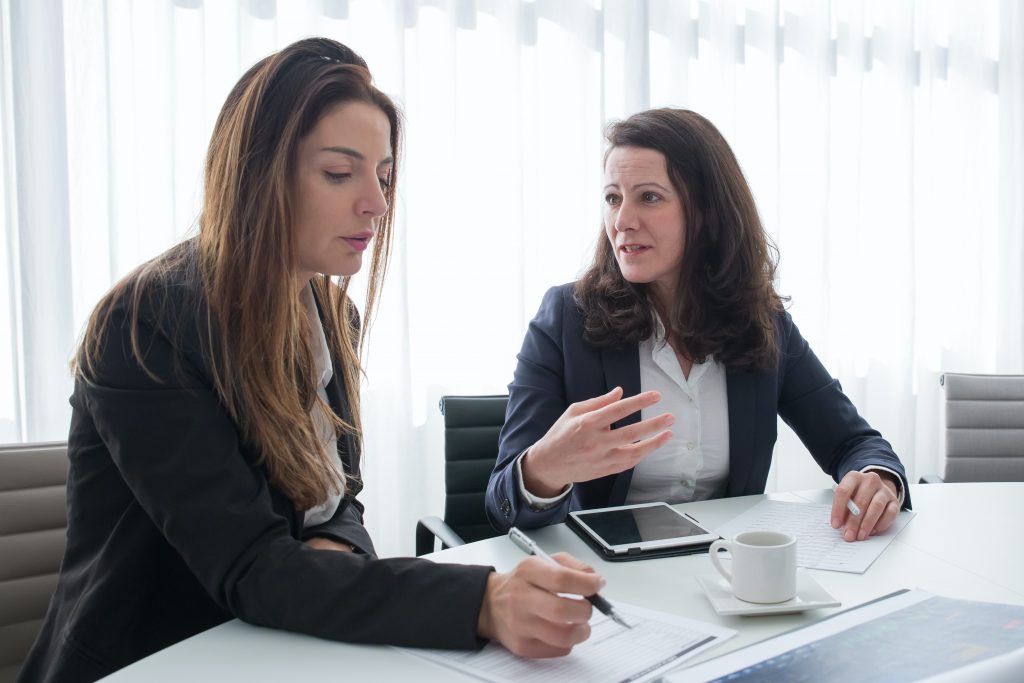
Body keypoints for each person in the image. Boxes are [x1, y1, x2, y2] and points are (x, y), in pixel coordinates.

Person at [19, 38, 602, 683]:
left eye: (382, 175)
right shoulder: (147, 324)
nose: (377, 204)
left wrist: (332, 550)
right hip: (157, 659)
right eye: (338, 172)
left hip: (284, 644)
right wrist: (483, 600)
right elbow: (250, 564)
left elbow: (337, 498)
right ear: (257, 173)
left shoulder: (328, 313)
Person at [486, 108, 911, 542]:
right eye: (613, 198)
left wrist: (879, 478)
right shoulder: (564, 317)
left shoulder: (764, 322)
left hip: (730, 573)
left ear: (706, 210)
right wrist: (543, 468)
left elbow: (853, 442)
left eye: (648, 197)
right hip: (607, 576)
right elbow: (502, 503)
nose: (622, 220)